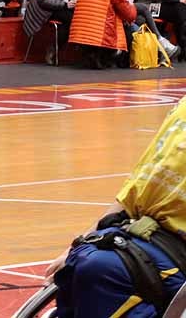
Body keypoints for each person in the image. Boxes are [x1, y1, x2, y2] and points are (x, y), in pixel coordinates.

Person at [44, 96, 186, 317]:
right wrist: (78, 244)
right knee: (83, 263)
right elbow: (132, 191)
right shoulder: (183, 108)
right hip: (142, 240)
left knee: (103, 270)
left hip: (172, 257)